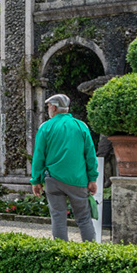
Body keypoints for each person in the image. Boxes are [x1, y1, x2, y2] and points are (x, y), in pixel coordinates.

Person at [30, 93, 99, 242]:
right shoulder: (81, 126)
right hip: (78, 180)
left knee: (58, 217)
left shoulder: (45, 127)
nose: (48, 109)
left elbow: (39, 156)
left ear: (54, 108)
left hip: (53, 179)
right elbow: (90, 155)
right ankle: (91, 251)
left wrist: (36, 180)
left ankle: (61, 251)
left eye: (49, 106)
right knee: (84, 218)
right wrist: (92, 179)